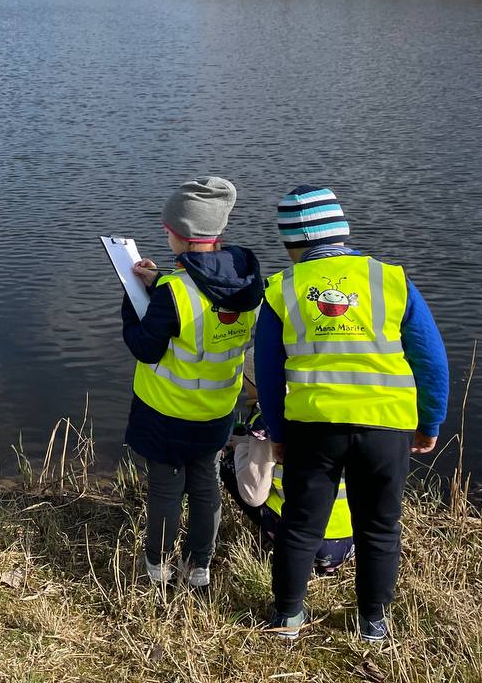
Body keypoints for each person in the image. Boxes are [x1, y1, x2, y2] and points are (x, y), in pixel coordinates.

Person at [256, 186, 449, 643]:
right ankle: (373, 625)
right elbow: (431, 359)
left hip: (313, 427)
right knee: (379, 527)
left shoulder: (283, 289)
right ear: (343, 230)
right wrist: (430, 422)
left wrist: (278, 432)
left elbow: (268, 371)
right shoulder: (390, 279)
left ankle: (287, 618)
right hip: (385, 426)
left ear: (290, 243)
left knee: (301, 525)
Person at [122, 177, 264, 588]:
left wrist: (132, 299)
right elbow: (203, 301)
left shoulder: (172, 293)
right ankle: (198, 568)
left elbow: (146, 347)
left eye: (167, 230)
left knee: (166, 490)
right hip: (218, 412)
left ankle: (156, 568)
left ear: (179, 234)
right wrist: (160, 284)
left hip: (167, 415)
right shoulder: (247, 283)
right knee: (205, 486)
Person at [220, 392, 354, 577]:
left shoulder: (269, 421)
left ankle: (275, 542)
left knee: (230, 466)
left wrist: (241, 448)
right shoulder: (343, 410)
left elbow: (253, 494)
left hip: (304, 544)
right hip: (348, 542)